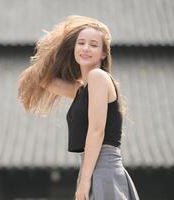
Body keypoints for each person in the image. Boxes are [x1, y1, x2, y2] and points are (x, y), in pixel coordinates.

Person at [17, 15, 140, 200]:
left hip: (102, 170)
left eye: (93, 44)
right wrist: (59, 47)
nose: (85, 48)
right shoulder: (81, 89)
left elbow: (97, 131)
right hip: (91, 170)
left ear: (103, 53)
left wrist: (84, 180)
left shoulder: (98, 77)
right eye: (80, 43)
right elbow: (40, 78)